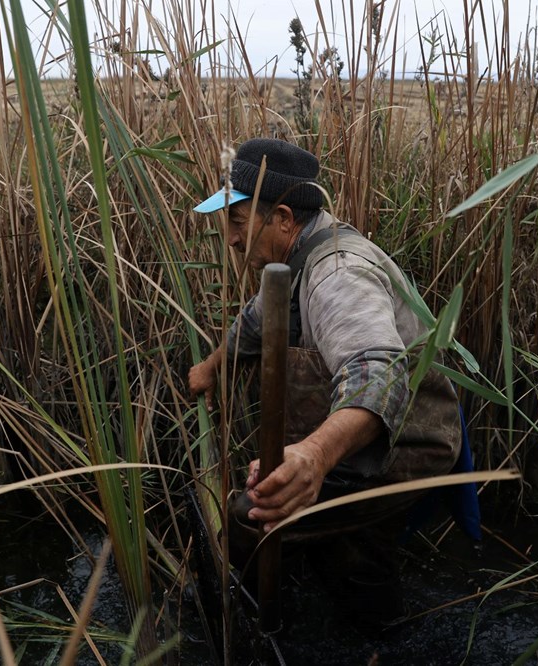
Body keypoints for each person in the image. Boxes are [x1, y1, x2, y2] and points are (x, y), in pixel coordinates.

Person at [188, 138, 471, 628]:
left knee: (249, 517)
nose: (231, 240)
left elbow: (378, 372)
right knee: (354, 557)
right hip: (363, 439)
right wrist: (213, 366)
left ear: (281, 217)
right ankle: (370, 624)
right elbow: (257, 321)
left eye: (237, 222)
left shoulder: (336, 272)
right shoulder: (294, 259)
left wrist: (312, 457)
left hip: (406, 443)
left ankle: (256, 632)